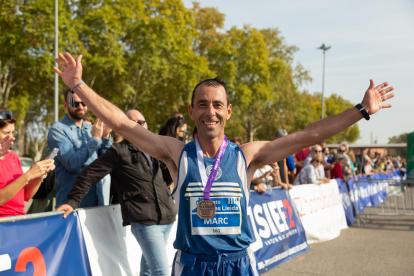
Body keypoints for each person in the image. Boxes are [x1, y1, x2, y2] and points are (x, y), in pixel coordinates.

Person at [53, 52, 394, 275]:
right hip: (192, 265)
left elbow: (307, 135)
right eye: (202, 104)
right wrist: (79, 86)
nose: (210, 111)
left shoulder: (247, 154)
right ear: (191, 111)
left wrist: (360, 111)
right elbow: (123, 124)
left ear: (228, 111)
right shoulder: (176, 152)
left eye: (217, 104)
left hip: (238, 264)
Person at [57, 109, 177, 276]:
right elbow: (89, 174)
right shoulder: (119, 151)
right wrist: (73, 201)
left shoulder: (155, 149)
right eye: (133, 124)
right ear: (125, 128)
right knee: (161, 272)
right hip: (145, 222)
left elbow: (165, 178)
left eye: (141, 123)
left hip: (167, 218)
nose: (139, 127)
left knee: (150, 271)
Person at [47, 89, 112, 207]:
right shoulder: (58, 130)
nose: (80, 106)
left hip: (97, 203)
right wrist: (95, 140)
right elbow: (72, 164)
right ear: (66, 106)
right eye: (75, 103)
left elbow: (107, 163)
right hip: (71, 206)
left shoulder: (91, 128)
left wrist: (106, 137)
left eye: (84, 102)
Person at [0, 107, 55, 217]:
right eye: (6, 132)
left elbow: (26, 196)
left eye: (12, 132)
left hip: (19, 221)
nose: (11, 137)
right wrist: (29, 174)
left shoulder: (13, 157)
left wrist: (39, 175)